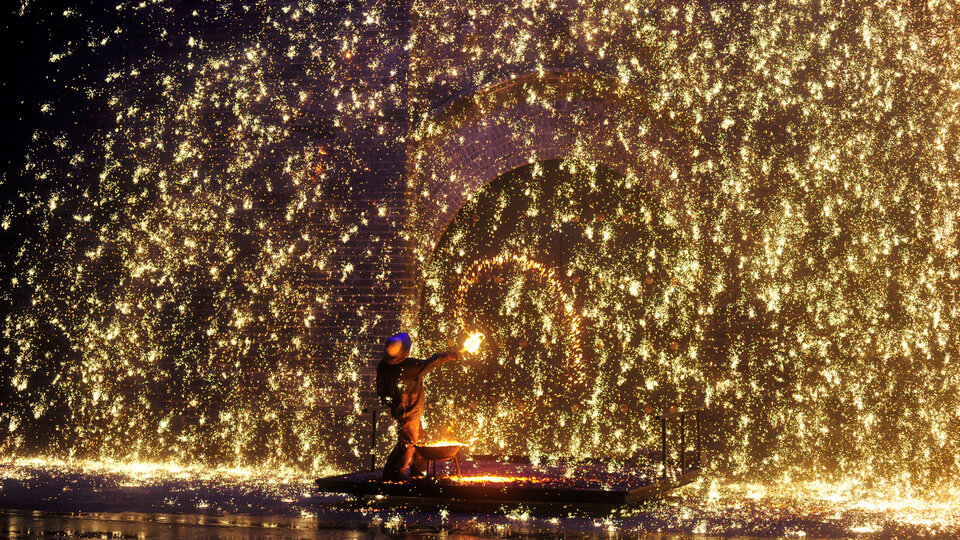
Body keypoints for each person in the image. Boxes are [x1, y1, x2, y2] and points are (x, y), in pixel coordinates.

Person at [375, 332, 463, 480]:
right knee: (408, 442)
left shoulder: (383, 367)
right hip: (410, 412)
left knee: (419, 440)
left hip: (402, 410)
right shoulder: (411, 367)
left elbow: (382, 391)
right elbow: (432, 362)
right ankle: (393, 472)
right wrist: (450, 355)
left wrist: (392, 403)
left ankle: (418, 468)